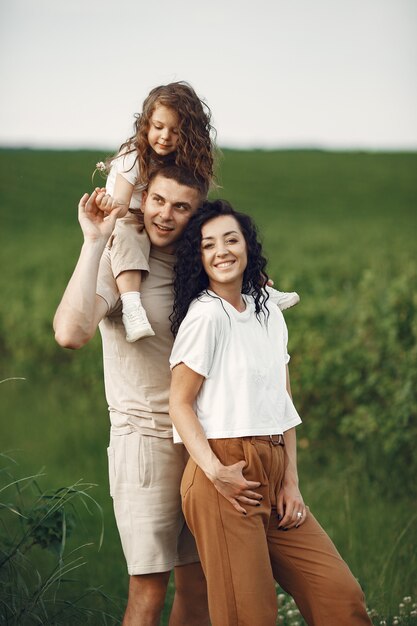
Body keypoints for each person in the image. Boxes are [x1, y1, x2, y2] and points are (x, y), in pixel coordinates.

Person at [169, 199, 373, 626]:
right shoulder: (206, 316)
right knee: (251, 617)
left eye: (231, 239)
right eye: (209, 245)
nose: (222, 251)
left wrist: (291, 482)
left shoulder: (269, 314)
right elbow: (180, 403)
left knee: (339, 596)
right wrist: (214, 470)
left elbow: (282, 404)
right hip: (224, 474)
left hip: (275, 468)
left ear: (247, 248)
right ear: (199, 259)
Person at [53, 165, 210, 626]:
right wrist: (93, 242)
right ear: (144, 200)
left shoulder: (194, 263)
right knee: (148, 590)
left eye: (182, 206)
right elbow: (69, 333)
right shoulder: (123, 260)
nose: (166, 215)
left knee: (198, 585)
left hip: (201, 445)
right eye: (158, 200)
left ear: (195, 214)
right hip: (146, 443)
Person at [96, 81, 299, 343]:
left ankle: (256, 286)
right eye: (158, 127)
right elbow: (122, 205)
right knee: (128, 232)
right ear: (146, 124)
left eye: (175, 131)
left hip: (162, 217)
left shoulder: (184, 161)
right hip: (131, 215)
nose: (165, 137)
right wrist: (108, 206)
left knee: (215, 231)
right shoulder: (132, 157)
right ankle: (132, 306)